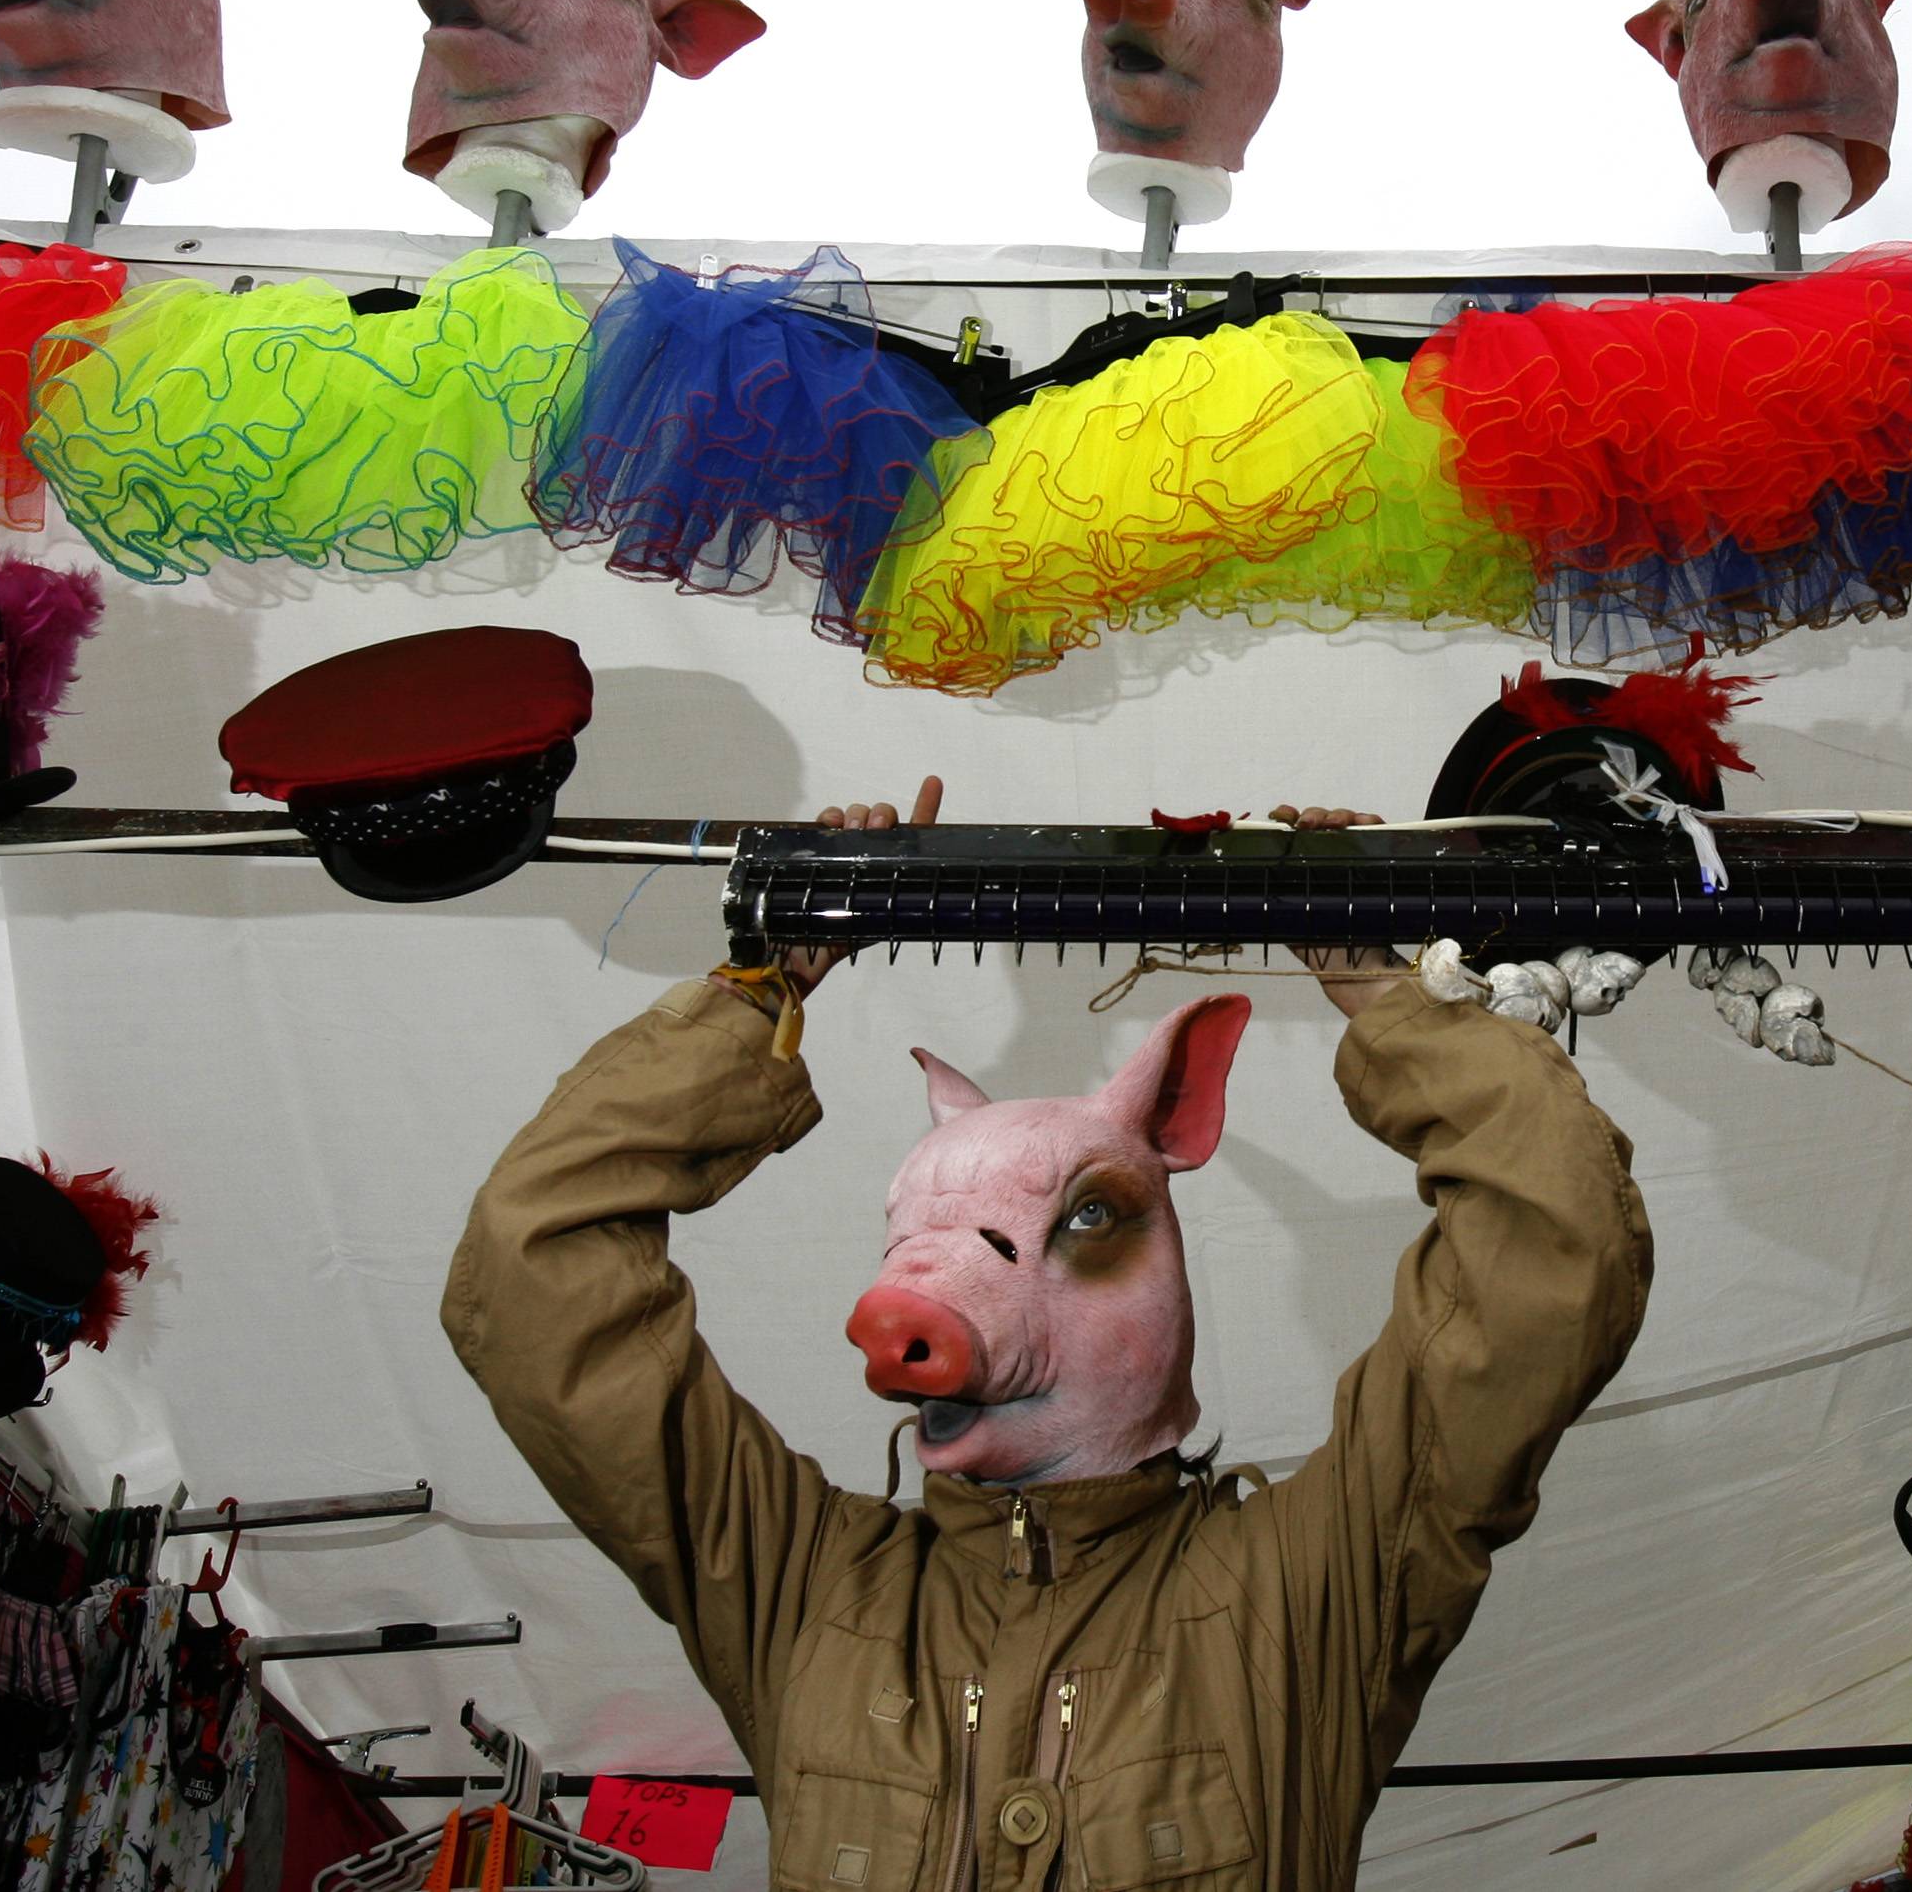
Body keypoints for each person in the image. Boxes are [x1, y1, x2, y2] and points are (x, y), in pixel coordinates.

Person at [443, 776, 1653, 1889]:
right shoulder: (797, 1591)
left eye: (1079, 1218)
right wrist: (763, 987)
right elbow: (532, 1260)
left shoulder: (1313, 1587)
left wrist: (1377, 979)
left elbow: (1552, 1239)